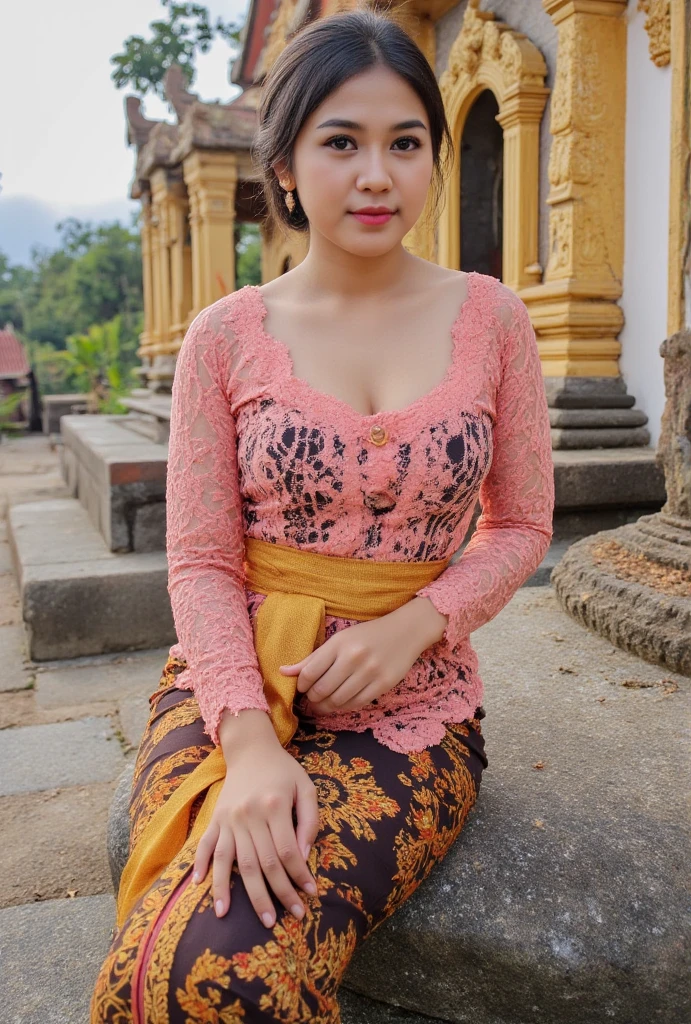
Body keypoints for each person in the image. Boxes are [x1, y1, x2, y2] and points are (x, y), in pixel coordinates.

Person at [91, 5, 554, 1021]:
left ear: (433, 158)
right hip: (238, 684)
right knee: (173, 957)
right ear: (288, 166)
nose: (377, 174)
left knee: (228, 963)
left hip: (414, 710)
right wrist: (251, 745)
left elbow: (521, 524)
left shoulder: (494, 322)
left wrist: (419, 623)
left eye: (406, 143)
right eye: (342, 143)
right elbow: (203, 565)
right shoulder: (225, 338)